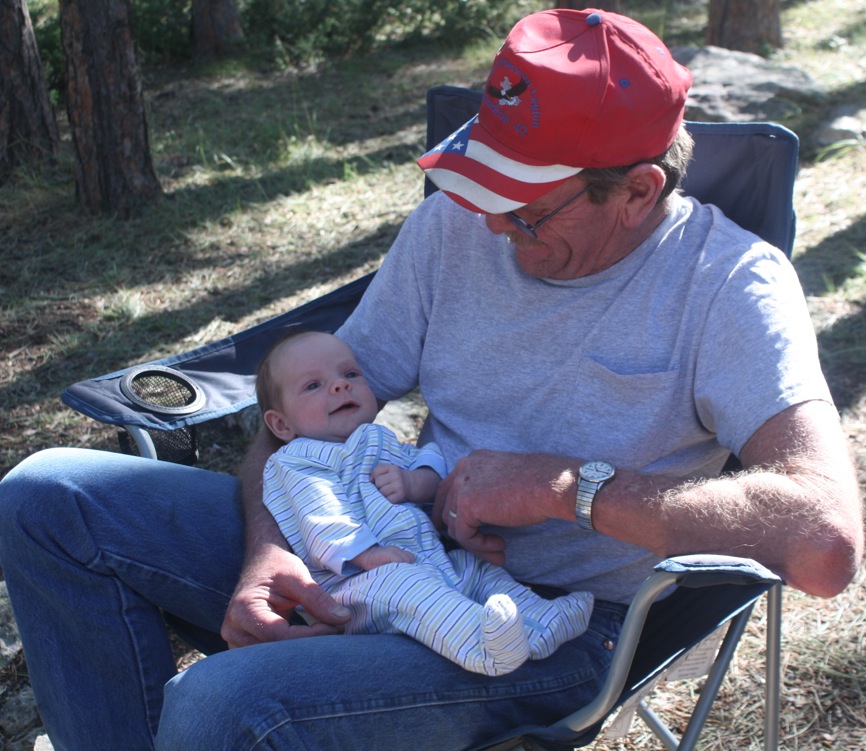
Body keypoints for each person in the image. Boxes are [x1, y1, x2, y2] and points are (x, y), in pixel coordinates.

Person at [0, 8, 861, 751]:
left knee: (224, 703)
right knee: (45, 496)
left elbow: (824, 538)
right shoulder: (459, 223)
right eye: (483, 176)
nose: (487, 215)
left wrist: (567, 488)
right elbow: (301, 415)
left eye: (521, 203)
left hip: (537, 625)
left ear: (637, 191)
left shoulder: (729, 287)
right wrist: (268, 547)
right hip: (371, 544)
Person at [256, 328, 592, 676]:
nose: (340, 386)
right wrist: (367, 555)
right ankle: (480, 644)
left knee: (475, 570)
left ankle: (540, 622)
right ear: (281, 424)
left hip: (426, 558)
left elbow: (433, 474)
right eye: (313, 385)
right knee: (409, 588)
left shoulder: (377, 438)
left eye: (350, 374)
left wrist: (413, 483)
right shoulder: (297, 459)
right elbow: (321, 515)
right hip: (357, 584)